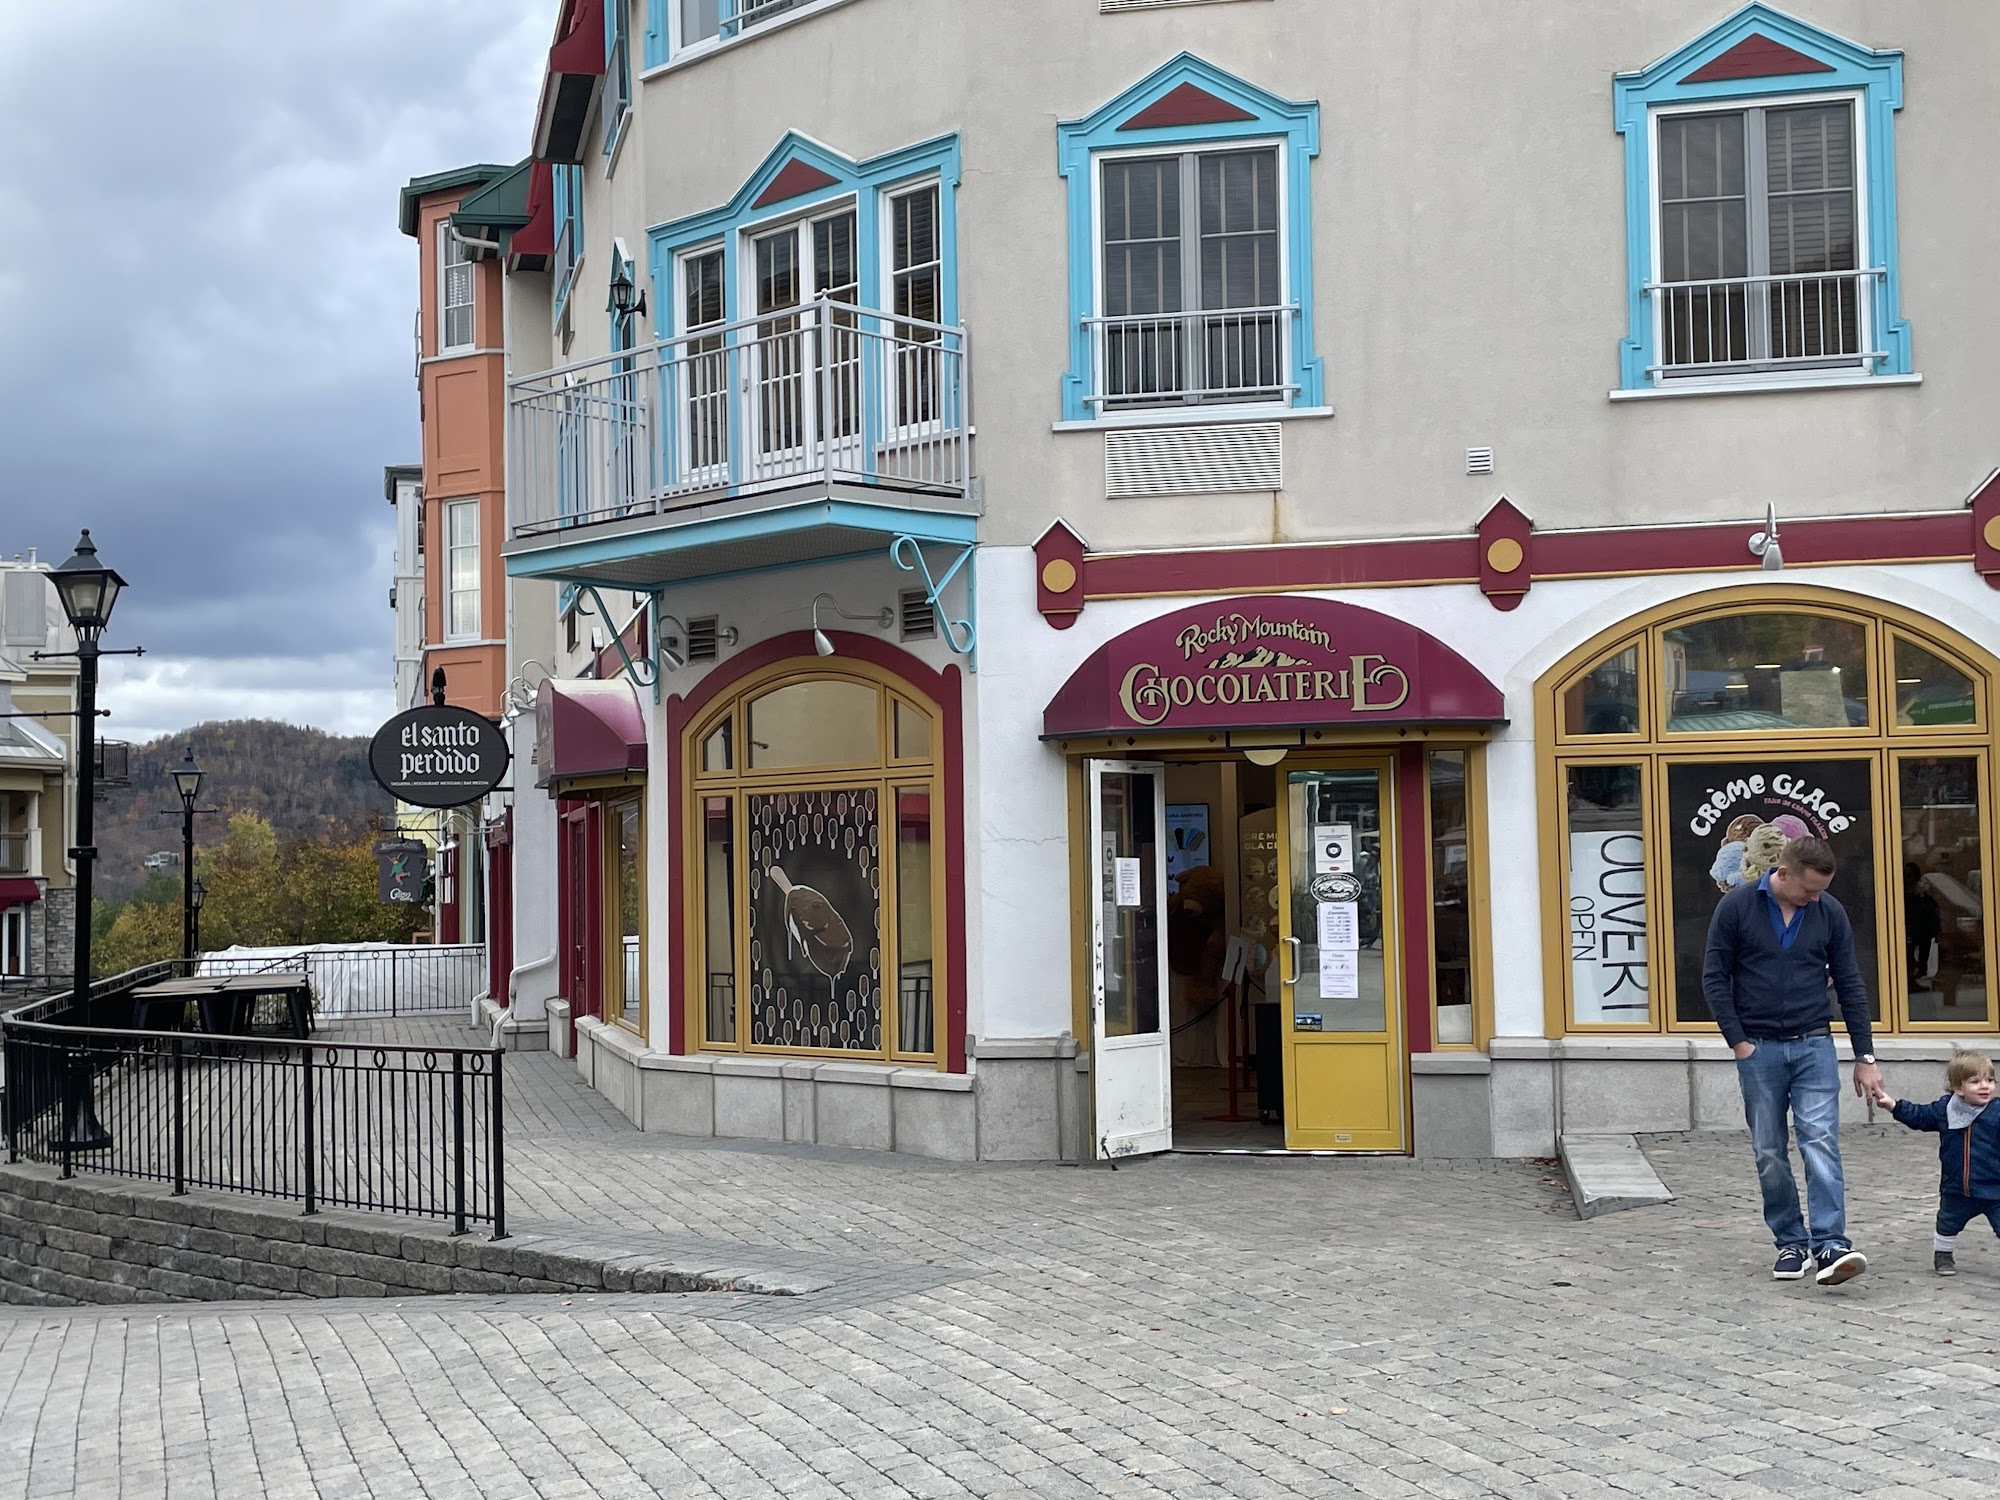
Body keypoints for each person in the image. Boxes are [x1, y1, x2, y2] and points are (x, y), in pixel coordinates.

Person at [1703, 835, 1882, 1286]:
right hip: (1758, 1048)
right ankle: (1790, 1242)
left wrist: (1865, 1055)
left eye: (1822, 889)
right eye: (1809, 889)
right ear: (1782, 873)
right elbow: (1714, 977)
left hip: (1814, 1044)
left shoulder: (1828, 912)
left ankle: (1830, 1244)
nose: (1815, 898)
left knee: (1820, 1140)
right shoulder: (1737, 908)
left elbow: (1850, 983)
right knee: (1768, 1151)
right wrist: (1739, 1043)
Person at [1869, 1051, 1999, 1276]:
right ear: (1958, 1088)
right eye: (1975, 1081)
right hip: (1956, 1187)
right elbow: (1919, 1116)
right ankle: (1943, 1255)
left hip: (1994, 1187)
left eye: (1989, 1080)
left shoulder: (1996, 1112)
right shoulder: (1945, 1109)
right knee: (1947, 1222)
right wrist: (1892, 1105)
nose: (1985, 1086)